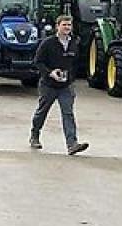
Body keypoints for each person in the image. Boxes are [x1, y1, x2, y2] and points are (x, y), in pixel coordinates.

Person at [30, 15, 89, 155]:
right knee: (42, 111)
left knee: (68, 113)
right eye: (64, 25)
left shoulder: (74, 43)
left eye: (69, 25)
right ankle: (35, 135)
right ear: (58, 26)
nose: (67, 27)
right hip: (48, 85)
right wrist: (50, 73)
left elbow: (76, 64)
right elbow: (38, 62)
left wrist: (70, 78)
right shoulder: (48, 43)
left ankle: (72, 144)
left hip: (66, 86)